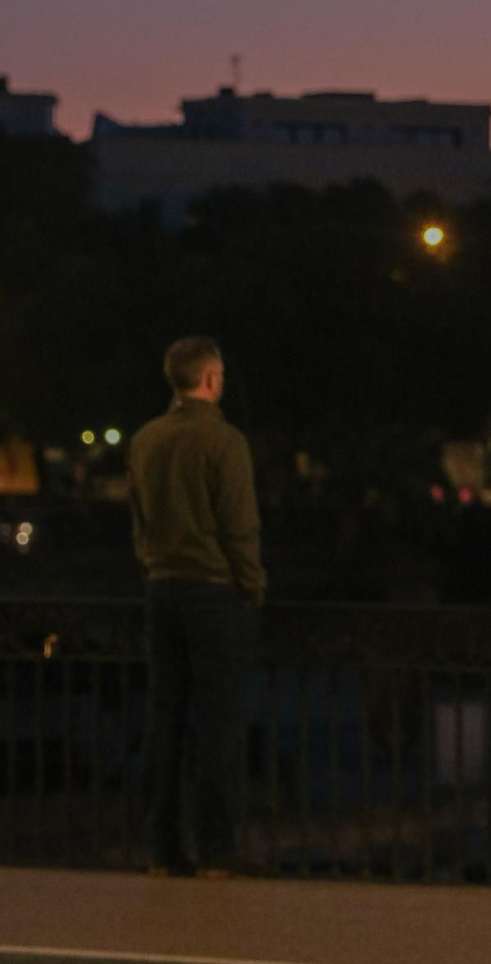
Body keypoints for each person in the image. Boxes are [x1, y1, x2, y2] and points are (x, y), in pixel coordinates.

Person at [128, 335, 265, 876]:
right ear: (210, 379)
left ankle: (162, 846)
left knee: (165, 719)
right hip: (212, 592)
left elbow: (138, 518)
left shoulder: (145, 440)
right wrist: (251, 587)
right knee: (217, 723)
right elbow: (239, 526)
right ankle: (215, 846)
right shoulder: (224, 441)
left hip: (161, 590)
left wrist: (153, 565)